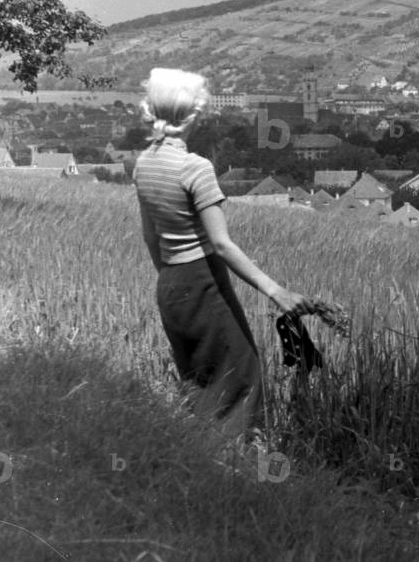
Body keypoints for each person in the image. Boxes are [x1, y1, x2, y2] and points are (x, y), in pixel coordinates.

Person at [133, 68, 311, 442]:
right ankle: (231, 466)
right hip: (202, 281)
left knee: (199, 382)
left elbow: (151, 237)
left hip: (168, 282)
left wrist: (173, 278)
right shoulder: (195, 168)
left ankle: (195, 458)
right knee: (241, 376)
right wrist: (276, 291)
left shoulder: (144, 164)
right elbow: (222, 244)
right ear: (194, 115)